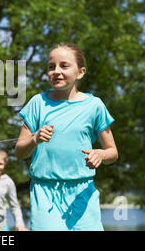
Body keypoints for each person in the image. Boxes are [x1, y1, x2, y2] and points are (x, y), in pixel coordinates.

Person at [15, 43, 118, 231]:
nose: (56, 71)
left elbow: (113, 152)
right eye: (51, 66)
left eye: (64, 66)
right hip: (45, 192)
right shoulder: (37, 103)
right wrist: (34, 139)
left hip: (83, 193)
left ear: (80, 72)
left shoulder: (95, 105)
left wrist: (101, 155)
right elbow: (19, 152)